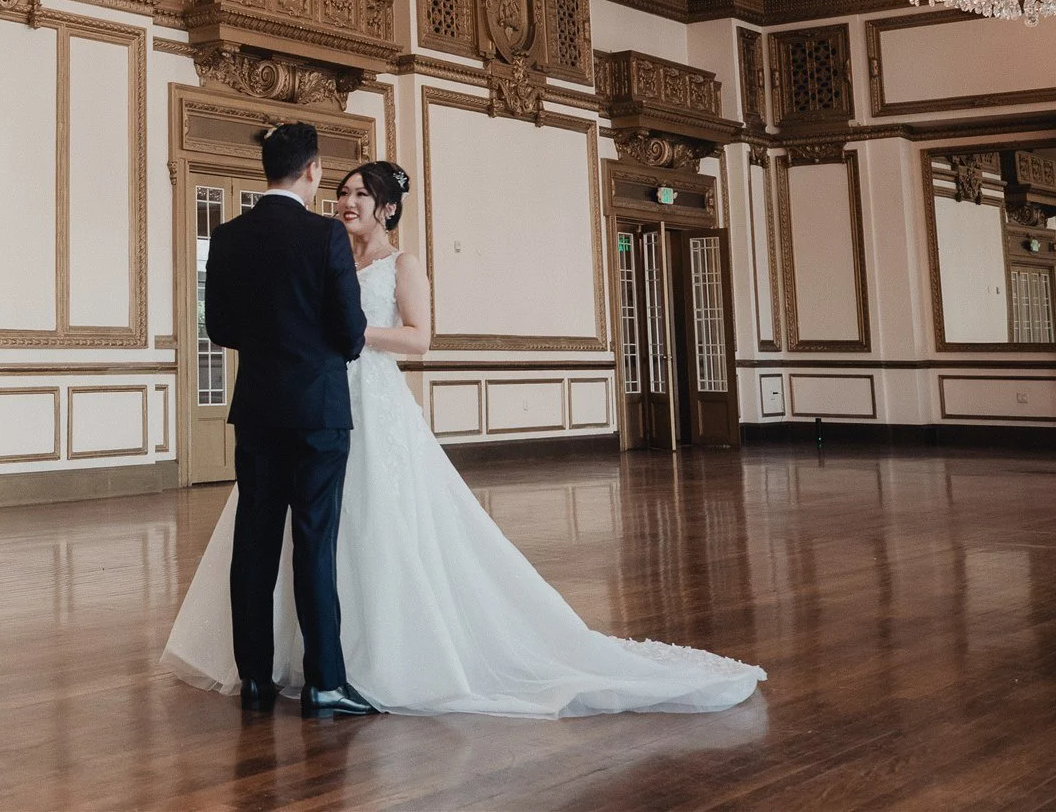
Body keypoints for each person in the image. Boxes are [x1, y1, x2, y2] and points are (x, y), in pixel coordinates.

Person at [165, 158, 766, 718]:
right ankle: (300, 661)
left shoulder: (402, 265)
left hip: (369, 403)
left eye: (360, 196)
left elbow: (420, 338)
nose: (346, 203)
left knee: (372, 525)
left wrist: (351, 332)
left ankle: (377, 657)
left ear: (387, 210)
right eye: (343, 192)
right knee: (308, 534)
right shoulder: (323, 252)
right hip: (309, 403)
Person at [200, 122, 376, 719]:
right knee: (313, 543)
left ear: (265, 171)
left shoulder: (227, 236)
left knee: (253, 543)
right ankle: (326, 682)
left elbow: (219, 329)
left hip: (257, 410)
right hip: (318, 412)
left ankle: (255, 680)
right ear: (313, 171)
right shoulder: (325, 235)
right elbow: (351, 333)